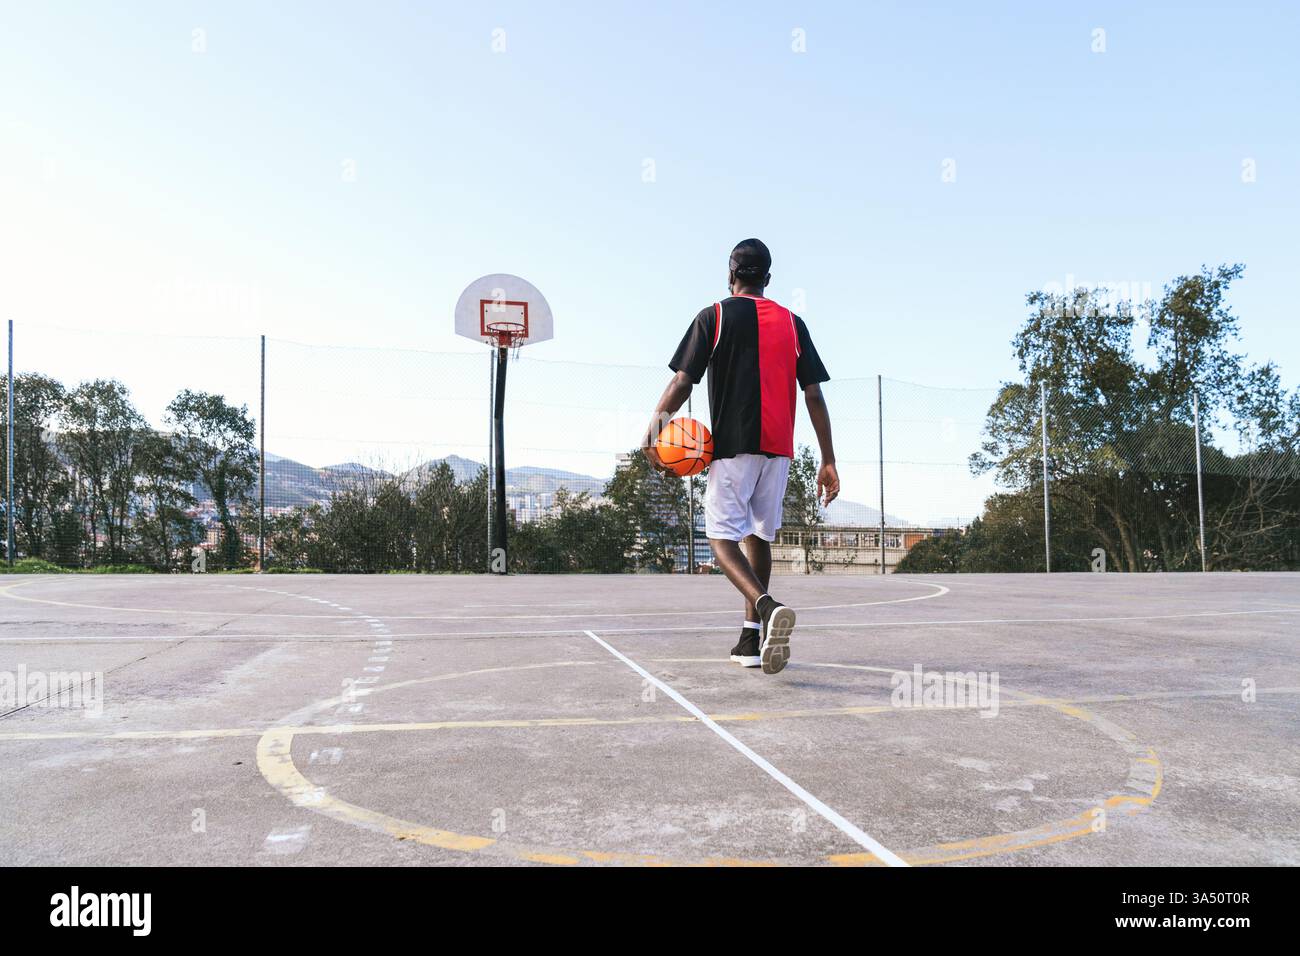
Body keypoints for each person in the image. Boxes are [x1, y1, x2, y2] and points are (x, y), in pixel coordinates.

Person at [643, 239, 837, 674]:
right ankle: (751, 639)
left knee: (720, 537)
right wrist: (828, 459)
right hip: (780, 450)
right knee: (759, 537)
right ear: (767, 279)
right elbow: (814, 394)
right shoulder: (792, 323)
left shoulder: (713, 316)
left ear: (729, 275)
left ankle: (767, 608)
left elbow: (682, 383)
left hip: (732, 447)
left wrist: (651, 434)